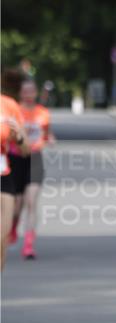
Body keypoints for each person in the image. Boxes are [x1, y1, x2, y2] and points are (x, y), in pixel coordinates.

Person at [8, 77, 55, 258]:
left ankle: (28, 245)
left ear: (36, 93)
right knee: (16, 204)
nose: (28, 95)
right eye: (25, 92)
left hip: (35, 158)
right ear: (20, 93)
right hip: (16, 158)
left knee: (31, 202)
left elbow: (48, 134)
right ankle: (12, 225)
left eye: (31, 91)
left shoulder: (43, 113)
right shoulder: (14, 111)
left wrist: (50, 139)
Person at [1, 73, 30, 270]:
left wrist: (19, 137)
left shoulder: (8, 105)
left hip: (2, 176)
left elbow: (26, 149)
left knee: (1, 241)